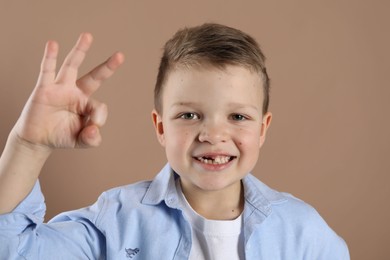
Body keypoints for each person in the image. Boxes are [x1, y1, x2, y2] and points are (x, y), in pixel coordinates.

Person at [0, 23, 349, 259]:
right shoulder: (117, 221)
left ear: (262, 128)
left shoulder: (303, 232)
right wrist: (28, 146)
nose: (213, 135)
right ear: (161, 126)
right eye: (189, 115)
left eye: (238, 117)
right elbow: (14, 251)